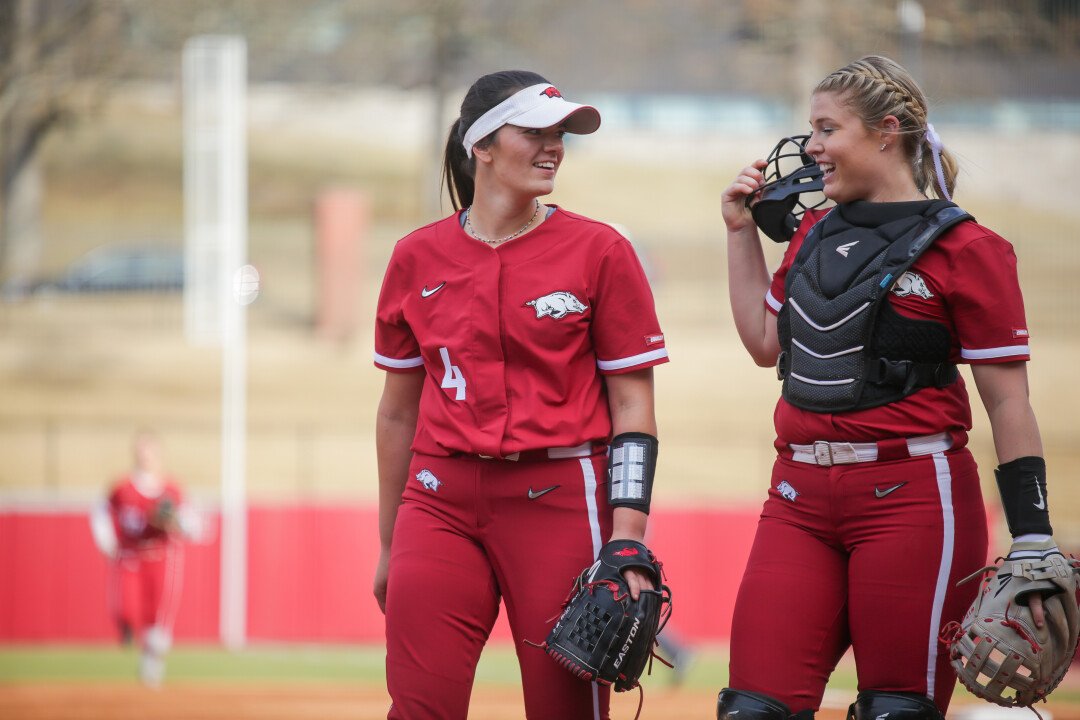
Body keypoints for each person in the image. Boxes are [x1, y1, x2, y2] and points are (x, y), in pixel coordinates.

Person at [717, 55, 1064, 720]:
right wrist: (740, 235)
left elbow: (1009, 402)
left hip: (913, 500)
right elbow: (765, 347)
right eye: (809, 129)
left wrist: (1032, 535)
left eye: (827, 128)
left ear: (886, 130)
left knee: (895, 713)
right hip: (797, 498)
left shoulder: (969, 247)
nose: (812, 147)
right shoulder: (813, 233)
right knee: (752, 710)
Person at [373, 70, 669, 720]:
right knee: (419, 709)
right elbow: (397, 412)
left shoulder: (601, 251)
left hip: (560, 502)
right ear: (480, 145)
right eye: (534, 131)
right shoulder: (415, 257)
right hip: (439, 501)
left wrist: (626, 539)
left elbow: (633, 410)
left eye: (559, 133)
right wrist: (391, 541)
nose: (553, 146)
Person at [89, 429, 193, 688]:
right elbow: (101, 512)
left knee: (157, 621)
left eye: (150, 450)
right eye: (142, 450)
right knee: (126, 609)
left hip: (160, 556)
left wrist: (173, 521)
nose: (146, 456)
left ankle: (151, 663)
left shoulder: (170, 488)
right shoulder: (122, 486)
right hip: (130, 555)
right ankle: (129, 632)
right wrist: (106, 541)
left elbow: (191, 525)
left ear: (159, 454)